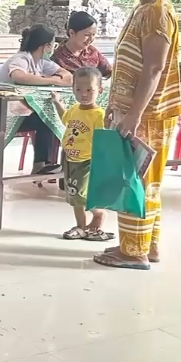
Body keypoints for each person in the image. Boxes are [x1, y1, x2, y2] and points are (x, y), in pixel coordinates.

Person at [95, 0, 181, 270]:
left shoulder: (157, 12)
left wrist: (133, 113)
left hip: (148, 113)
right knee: (146, 180)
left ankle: (134, 252)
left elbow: (153, 68)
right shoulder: (144, 8)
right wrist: (114, 105)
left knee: (137, 179)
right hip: (138, 110)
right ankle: (148, 245)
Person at [0, 23, 64, 172]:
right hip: (2, 114)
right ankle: (41, 164)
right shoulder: (21, 58)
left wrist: (56, 78)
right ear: (45, 46)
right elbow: (19, 76)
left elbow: (68, 77)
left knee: (50, 116)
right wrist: (51, 80)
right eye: (53, 45)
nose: (53, 48)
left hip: (21, 113)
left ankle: (43, 163)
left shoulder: (41, 62)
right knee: (46, 117)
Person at [58, 64, 112, 242]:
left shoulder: (98, 115)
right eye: (79, 89)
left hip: (87, 161)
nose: (83, 94)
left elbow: (103, 137)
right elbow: (65, 119)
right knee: (74, 196)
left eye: (89, 90)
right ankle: (80, 226)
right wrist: (57, 103)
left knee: (80, 195)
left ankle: (99, 213)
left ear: (100, 90)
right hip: (70, 158)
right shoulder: (74, 109)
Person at [53, 9, 113, 78]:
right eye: (86, 35)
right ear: (72, 33)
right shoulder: (58, 58)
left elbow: (108, 71)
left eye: (93, 34)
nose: (91, 39)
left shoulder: (92, 52)